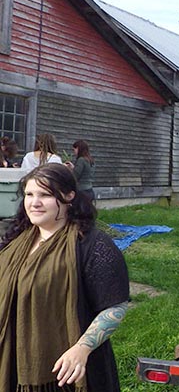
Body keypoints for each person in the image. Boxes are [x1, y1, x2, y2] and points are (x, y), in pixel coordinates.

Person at [0, 163, 130, 391]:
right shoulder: (15, 241)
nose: (34, 202)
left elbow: (115, 307)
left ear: (69, 196)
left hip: (68, 369)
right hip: (12, 358)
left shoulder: (92, 245)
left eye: (45, 195)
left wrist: (82, 348)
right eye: (29, 194)